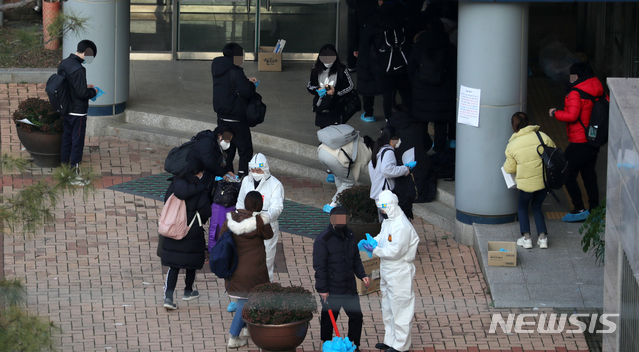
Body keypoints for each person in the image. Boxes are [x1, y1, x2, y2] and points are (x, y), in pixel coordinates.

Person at [362, 190, 419, 352]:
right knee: (388, 306)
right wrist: (373, 241)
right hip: (387, 269)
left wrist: (375, 250)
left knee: (401, 306)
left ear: (392, 206)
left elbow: (395, 252)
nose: (383, 211)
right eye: (381, 208)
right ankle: (390, 340)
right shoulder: (389, 221)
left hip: (400, 270)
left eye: (384, 208)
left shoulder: (402, 226)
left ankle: (401, 345)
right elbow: (382, 236)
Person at [549, 62, 606, 222]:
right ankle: (595, 210)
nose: (570, 77)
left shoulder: (576, 92)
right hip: (594, 139)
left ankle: (579, 209)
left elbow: (572, 116)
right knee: (589, 175)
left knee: (566, 173)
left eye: (572, 74)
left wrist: (555, 113)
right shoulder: (598, 88)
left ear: (577, 76)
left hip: (580, 140)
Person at [219, 191, 274, 349]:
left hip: (236, 268)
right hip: (255, 270)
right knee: (245, 302)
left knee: (244, 299)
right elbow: (269, 235)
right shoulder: (260, 222)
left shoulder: (232, 218)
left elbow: (221, 236)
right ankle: (233, 337)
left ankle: (246, 329)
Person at [313, 206, 370, 352]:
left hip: (349, 287)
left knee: (356, 317)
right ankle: (326, 346)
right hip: (332, 290)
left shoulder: (350, 234)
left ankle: (354, 345)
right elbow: (320, 267)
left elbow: (356, 258)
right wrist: (323, 290)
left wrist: (362, 275)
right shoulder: (322, 240)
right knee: (328, 320)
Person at [161, 158, 212, 310]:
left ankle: (168, 298)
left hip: (173, 228)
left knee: (174, 265)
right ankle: (188, 291)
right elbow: (206, 211)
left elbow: (166, 202)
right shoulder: (200, 189)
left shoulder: (174, 184)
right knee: (191, 261)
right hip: (192, 229)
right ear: (199, 173)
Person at [503, 112, 555, 249]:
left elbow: (509, 169)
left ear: (514, 126)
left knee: (522, 207)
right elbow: (554, 153)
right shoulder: (542, 136)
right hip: (544, 182)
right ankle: (543, 238)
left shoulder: (512, 145)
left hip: (526, 186)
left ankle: (526, 239)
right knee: (537, 207)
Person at [356, 0, 412, 123]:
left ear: (381, 2)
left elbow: (365, 39)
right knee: (406, 95)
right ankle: (408, 123)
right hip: (404, 63)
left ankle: (390, 125)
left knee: (389, 96)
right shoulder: (405, 15)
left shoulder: (375, 18)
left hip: (384, 64)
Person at [407, 18, 457, 153]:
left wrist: (416, 84)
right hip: (443, 93)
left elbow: (411, 68)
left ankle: (424, 148)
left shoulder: (418, 47)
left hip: (422, 91)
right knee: (441, 123)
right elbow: (454, 72)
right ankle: (440, 151)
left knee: (421, 122)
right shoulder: (450, 49)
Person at [211, 43, 259, 178]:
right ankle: (243, 177)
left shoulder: (218, 68)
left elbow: (228, 83)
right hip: (237, 121)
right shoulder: (236, 72)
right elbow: (247, 92)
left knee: (227, 149)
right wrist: (251, 84)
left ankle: (228, 175)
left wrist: (245, 79)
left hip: (222, 119)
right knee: (245, 150)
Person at [235, 153, 284, 281]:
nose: (255, 173)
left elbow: (277, 207)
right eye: (253, 170)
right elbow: (240, 202)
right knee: (247, 258)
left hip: (266, 226)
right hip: (247, 224)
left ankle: (266, 289)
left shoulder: (275, 185)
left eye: (258, 170)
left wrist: (264, 218)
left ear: (265, 169)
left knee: (266, 259)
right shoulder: (246, 180)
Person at [58, 39, 98, 186]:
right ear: (87, 52)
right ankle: (74, 174)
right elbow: (82, 93)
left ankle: (63, 170)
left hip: (66, 109)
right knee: (77, 142)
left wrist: (84, 86)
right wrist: (92, 91)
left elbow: (68, 86)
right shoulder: (79, 69)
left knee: (66, 140)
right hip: (78, 112)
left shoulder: (64, 63)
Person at [387, 105, 436, 203]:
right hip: (419, 167)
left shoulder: (390, 129)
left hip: (399, 167)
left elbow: (391, 148)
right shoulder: (417, 125)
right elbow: (428, 144)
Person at [318, 135, 374, 213]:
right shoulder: (366, 152)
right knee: (349, 182)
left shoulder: (358, 139)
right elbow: (353, 175)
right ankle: (332, 206)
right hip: (335, 158)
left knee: (338, 175)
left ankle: (341, 199)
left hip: (322, 151)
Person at [368, 127, 412, 220]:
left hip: (379, 194)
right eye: (398, 138)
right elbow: (386, 170)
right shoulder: (388, 152)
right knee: (390, 222)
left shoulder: (379, 151)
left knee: (385, 222)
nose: (399, 141)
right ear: (392, 140)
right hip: (385, 195)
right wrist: (405, 169)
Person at [307, 44, 355, 128]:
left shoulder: (341, 69)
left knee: (336, 129)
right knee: (323, 129)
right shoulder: (316, 69)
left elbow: (350, 86)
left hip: (337, 105)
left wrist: (335, 91)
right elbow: (310, 86)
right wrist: (318, 89)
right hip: (321, 105)